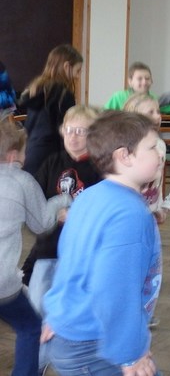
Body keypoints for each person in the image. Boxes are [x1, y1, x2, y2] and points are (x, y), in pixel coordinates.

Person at [42, 111, 162, 375]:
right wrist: (130, 354)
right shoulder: (130, 214)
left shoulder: (89, 196)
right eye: (152, 147)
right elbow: (116, 290)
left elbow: (70, 260)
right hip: (94, 342)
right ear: (124, 156)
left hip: (72, 332)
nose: (160, 155)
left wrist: (58, 316)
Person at [0, 119, 71, 376]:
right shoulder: (22, 180)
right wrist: (62, 200)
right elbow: (41, 223)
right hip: (2, 284)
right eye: (23, 152)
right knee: (30, 327)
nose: (25, 157)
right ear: (12, 156)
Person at [22, 105, 101, 319]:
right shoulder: (52, 162)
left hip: (82, 253)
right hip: (47, 249)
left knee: (74, 308)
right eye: (69, 130)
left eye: (80, 131)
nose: (72, 137)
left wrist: (75, 215)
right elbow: (34, 195)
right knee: (38, 306)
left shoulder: (99, 168)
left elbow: (101, 208)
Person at [17, 44, 83, 174]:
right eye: (78, 70)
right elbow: (65, 130)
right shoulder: (64, 95)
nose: (78, 76)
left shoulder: (36, 89)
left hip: (30, 152)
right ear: (66, 67)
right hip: (51, 157)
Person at [123, 93, 168, 224]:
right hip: (130, 211)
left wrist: (159, 207)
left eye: (158, 112)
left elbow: (159, 180)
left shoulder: (160, 144)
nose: (158, 116)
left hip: (151, 210)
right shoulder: (127, 147)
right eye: (151, 112)